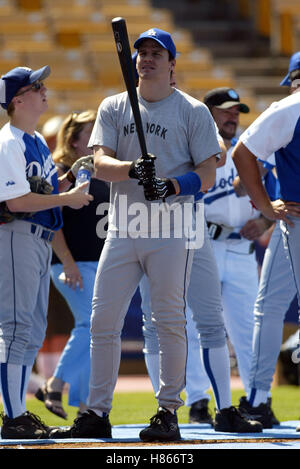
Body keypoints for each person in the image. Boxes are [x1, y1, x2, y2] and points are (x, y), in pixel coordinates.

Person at [51, 27, 263, 441]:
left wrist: (171, 184)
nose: (146, 59)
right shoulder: (113, 106)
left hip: (172, 229)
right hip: (124, 227)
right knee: (101, 322)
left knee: (168, 321)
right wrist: (133, 169)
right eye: (141, 52)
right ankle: (96, 411)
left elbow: (206, 171)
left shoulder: (192, 111)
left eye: (156, 53)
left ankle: (168, 411)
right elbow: (99, 162)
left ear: (172, 64)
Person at [140, 87, 273, 425]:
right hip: (205, 242)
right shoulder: (194, 142)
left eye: (237, 111)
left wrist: (263, 219)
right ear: (208, 111)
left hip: (242, 248)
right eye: (226, 110)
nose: (233, 116)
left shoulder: (251, 149)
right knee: (198, 327)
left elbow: (276, 194)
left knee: (247, 330)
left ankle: (258, 399)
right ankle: (199, 400)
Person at [0, 65, 93, 439]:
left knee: (31, 329)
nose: (44, 90)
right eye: (36, 86)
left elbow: (42, 189)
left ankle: (19, 413)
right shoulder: (9, 142)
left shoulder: (35, 139)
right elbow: (18, 201)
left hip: (38, 237)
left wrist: (68, 179)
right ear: (17, 100)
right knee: (17, 327)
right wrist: (67, 196)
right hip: (16, 233)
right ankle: (13, 417)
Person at [232, 52, 300, 429]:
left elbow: (243, 153)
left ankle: (258, 399)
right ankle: (258, 399)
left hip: (295, 219)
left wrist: (265, 207)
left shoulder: (291, 106)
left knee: (269, 308)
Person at [34, 110, 110, 419]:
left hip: (99, 263)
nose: (97, 141)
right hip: (71, 263)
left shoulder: (101, 169)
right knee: (94, 326)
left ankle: (83, 407)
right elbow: (52, 223)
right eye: (91, 135)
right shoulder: (63, 171)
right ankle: (56, 383)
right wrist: (68, 261)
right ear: (74, 140)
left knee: (95, 330)